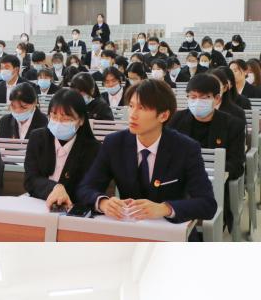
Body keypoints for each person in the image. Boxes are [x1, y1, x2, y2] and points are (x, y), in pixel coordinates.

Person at [75, 80, 216, 224]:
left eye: (141, 108)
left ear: (163, 115)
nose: (132, 114)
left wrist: (165, 208)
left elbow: (207, 204)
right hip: (128, 227)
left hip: (169, 228)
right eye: (131, 106)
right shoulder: (114, 143)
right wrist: (103, 202)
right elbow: (86, 188)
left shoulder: (186, 148)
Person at [168, 75, 245, 231]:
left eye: (204, 98)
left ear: (216, 99)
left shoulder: (232, 125)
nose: (197, 102)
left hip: (212, 187)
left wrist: (203, 172)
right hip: (178, 183)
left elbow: (237, 165)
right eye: (193, 97)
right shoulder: (176, 120)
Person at [25, 89, 100, 210]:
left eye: (66, 118)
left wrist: (62, 194)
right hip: (38, 203)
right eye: (54, 116)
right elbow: (30, 179)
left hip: (71, 208)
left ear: (81, 120)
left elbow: (88, 187)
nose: (58, 123)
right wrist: (55, 187)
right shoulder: (37, 138)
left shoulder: (93, 148)